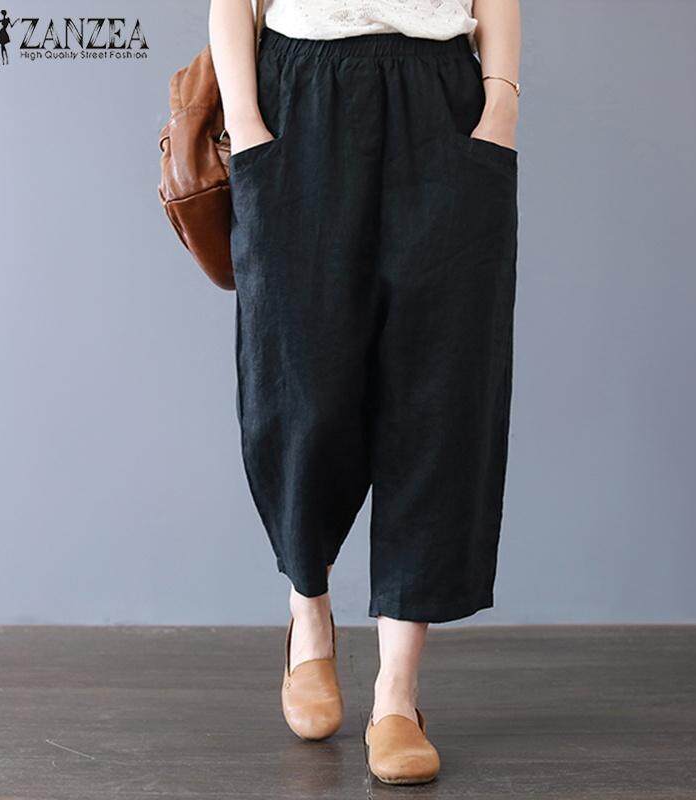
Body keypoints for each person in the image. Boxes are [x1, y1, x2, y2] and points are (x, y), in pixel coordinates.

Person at [209, 0, 520, 784]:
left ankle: (397, 697)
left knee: (440, 391)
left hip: (443, 97)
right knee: (299, 383)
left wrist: (502, 101)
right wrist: (245, 121)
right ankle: (308, 613)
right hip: (300, 91)